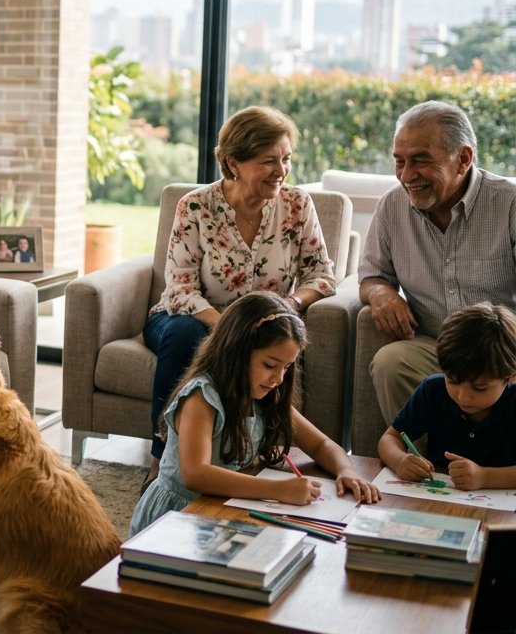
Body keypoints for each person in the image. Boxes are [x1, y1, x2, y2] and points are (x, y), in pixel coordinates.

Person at [143, 105, 337, 480]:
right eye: (269, 161)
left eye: (286, 159)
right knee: (187, 336)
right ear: (234, 163)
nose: (281, 171)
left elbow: (323, 275)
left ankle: (248, 453)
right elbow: (180, 289)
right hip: (189, 318)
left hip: (265, 324)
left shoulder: (297, 205)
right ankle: (162, 456)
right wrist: (233, 327)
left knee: (273, 344)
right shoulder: (196, 206)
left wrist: (291, 305)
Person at [130, 292, 380, 536]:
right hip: (177, 518)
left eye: (287, 367)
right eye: (270, 365)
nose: (279, 378)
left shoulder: (266, 397)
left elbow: (321, 444)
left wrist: (346, 471)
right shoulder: (201, 397)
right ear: (236, 352)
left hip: (225, 507)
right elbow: (196, 474)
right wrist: (278, 489)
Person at [359, 100, 516, 424]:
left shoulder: (509, 204)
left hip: (505, 353)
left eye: (420, 160)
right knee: (391, 361)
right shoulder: (392, 207)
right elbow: (372, 275)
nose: (406, 175)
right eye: (399, 161)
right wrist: (380, 294)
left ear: (463, 159)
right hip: (437, 350)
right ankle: (420, 466)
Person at [378, 302, 516, 491]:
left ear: (510, 376)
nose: (463, 397)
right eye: (452, 381)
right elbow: (390, 439)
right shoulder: (433, 390)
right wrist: (400, 460)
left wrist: (484, 477)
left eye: (479, 388)